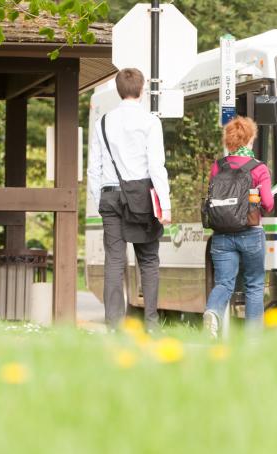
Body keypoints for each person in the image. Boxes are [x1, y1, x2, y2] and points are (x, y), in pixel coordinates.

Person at [87, 67, 172, 331]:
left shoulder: (103, 122)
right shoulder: (150, 122)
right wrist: (165, 205)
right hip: (142, 197)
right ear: (142, 89)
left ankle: (114, 324)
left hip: (110, 196)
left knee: (114, 260)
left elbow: (94, 167)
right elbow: (156, 166)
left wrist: (97, 198)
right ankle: (151, 323)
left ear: (118, 90)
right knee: (148, 259)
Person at [203, 116, 274, 338]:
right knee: (254, 284)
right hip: (251, 233)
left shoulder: (218, 166)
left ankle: (213, 312)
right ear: (250, 138)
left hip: (221, 234)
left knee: (224, 282)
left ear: (230, 141)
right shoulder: (258, 168)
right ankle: (253, 338)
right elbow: (269, 204)